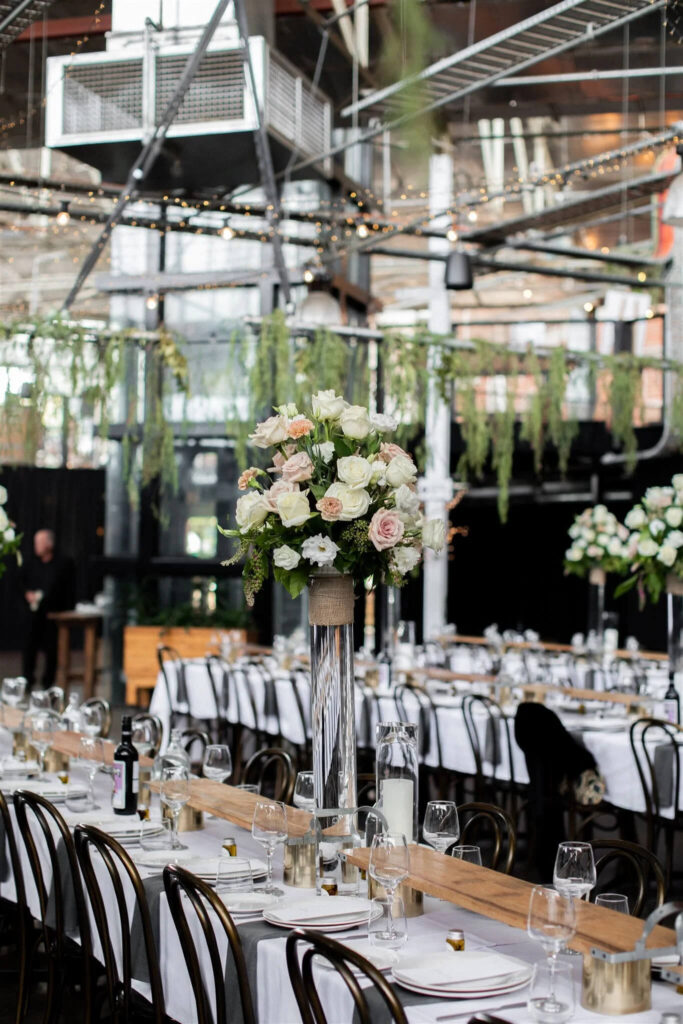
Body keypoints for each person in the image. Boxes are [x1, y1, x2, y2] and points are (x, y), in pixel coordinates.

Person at [20, 530, 75, 688]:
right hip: (33, 615)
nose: (36, 546)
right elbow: (20, 583)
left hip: (53, 615)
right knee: (29, 649)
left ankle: (48, 684)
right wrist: (27, 594)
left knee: (52, 651)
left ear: (49, 544)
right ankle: (27, 681)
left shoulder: (63, 563)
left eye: (40, 542)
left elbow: (67, 590)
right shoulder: (30, 562)